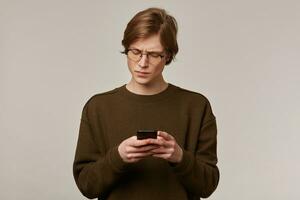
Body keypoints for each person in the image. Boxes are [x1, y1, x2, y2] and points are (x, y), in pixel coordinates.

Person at [73, 7, 219, 200]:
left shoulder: (196, 106)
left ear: (167, 55)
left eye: (153, 54)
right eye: (135, 52)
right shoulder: (98, 107)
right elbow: (87, 186)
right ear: (126, 49)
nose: (142, 63)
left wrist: (180, 157)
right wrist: (118, 157)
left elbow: (207, 186)